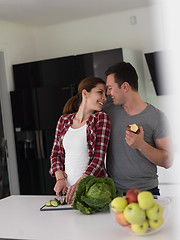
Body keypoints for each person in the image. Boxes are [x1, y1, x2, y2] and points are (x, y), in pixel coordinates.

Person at [103, 61, 173, 195]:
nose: (107, 92)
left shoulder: (157, 117)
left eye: (110, 88)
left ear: (125, 87)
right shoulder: (107, 113)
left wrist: (141, 145)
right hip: (115, 193)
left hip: (147, 193)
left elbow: (168, 161)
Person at [49, 76, 111, 204]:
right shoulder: (63, 120)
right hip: (67, 193)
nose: (104, 98)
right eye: (100, 92)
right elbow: (55, 154)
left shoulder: (101, 118)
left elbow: (98, 160)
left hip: (94, 191)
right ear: (85, 93)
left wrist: (79, 184)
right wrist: (60, 179)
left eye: (105, 94)